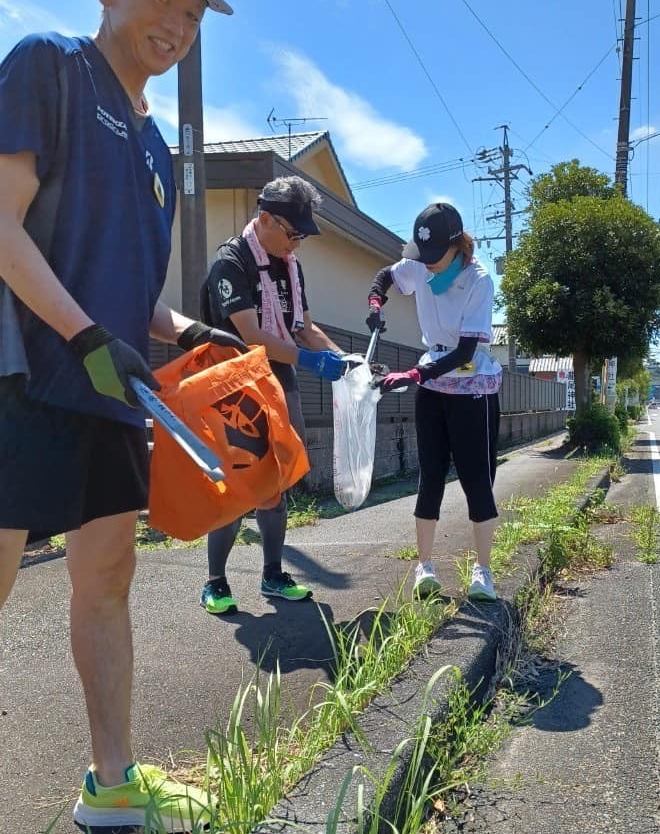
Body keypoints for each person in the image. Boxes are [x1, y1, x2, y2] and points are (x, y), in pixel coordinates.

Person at [0, 0, 239, 834]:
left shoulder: (156, 151)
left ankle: (111, 784)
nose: (175, 26)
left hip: (110, 388)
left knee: (106, 580)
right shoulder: (47, 66)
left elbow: (131, 295)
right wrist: (84, 334)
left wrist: (194, 332)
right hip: (27, 372)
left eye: (192, 15)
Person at [200, 176, 345, 612]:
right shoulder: (231, 262)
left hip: (279, 380)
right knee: (237, 483)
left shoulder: (289, 266)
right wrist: (311, 361)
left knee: (276, 481)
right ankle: (215, 582)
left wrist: (344, 358)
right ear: (265, 219)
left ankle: (273, 575)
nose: (297, 245)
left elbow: (302, 326)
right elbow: (252, 336)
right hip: (234, 385)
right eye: (293, 234)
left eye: (301, 236)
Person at [365, 202, 502, 601]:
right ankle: (424, 567)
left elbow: (462, 353)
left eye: (435, 256)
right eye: (422, 256)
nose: (427, 265)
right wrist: (375, 302)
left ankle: (483, 571)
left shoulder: (478, 280)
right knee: (430, 476)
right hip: (432, 387)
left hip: (472, 387)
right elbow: (384, 276)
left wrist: (413, 375)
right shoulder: (421, 267)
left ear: (457, 245)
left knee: (478, 480)